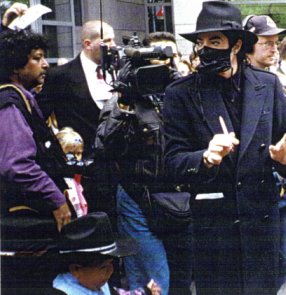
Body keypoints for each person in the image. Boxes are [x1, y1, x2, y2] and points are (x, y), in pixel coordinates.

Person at [162, 0, 286, 294]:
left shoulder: (268, 85)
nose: (205, 50)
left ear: (236, 45)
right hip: (214, 230)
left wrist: (285, 160)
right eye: (201, 43)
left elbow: (283, 143)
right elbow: (171, 162)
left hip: (260, 225)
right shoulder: (181, 93)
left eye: (215, 41)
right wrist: (205, 157)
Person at [95, 31, 193, 294]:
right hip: (139, 198)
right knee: (154, 283)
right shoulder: (125, 100)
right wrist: (125, 102)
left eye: (171, 56)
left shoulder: (185, 95)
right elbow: (105, 147)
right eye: (157, 57)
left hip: (182, 199)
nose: (165, 63)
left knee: (182, 281)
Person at [0, 29, 72, 290]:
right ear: (15, 65)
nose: (45, 64)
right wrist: (56, 199)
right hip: (22, 226)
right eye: (37, 58)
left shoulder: (19, 98)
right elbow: (17, 165)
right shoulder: (9, 102)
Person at [242, 15, 286, 284]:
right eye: (266, 43)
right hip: (246, 189)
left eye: (276, 43)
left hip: (276, 183)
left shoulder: (274, 82)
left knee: (281, 264)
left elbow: (285, 129)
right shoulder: (234, 84)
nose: (274, 49)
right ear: (246, 46)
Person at [37, 20, 116, 212]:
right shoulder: (60, 76)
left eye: (113, 40)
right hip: (83, 171)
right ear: (88, 44)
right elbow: (37, 118)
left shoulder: (120, 71)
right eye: (107, 41)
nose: (113, 45)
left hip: (119, 167)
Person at [53, 212, 161, 295]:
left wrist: (145, 291)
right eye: (103, 267)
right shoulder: (65, 292)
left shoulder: (91, 280)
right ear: (76, 269)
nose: (110, 270)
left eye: (111, 263)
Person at [56, 127, 89, 218]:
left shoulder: (77, 177)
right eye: (70, 154)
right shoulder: (60, 181)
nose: (76, 158)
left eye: (79, 153)